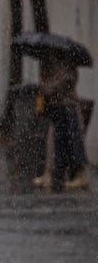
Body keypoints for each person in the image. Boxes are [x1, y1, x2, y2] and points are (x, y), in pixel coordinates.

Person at [34, 52, 90, 191]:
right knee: (54, 143)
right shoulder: (54, 66)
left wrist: (45, 86)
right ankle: (49, 174)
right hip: (58, 110)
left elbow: (60, 84)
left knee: (73, 143)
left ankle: (80, 176)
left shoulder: (68, 68)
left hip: (68, 109)